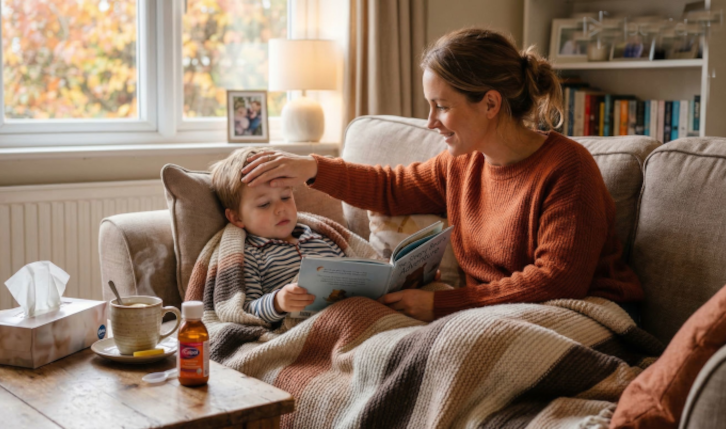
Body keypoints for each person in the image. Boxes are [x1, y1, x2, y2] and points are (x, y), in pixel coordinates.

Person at [238, 27, 645, 323]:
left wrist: (441, 305)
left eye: (442, 106)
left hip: (584, 311)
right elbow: (391, 188)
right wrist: (311, 168)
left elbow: (557, 281)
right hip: (494, 312)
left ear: (490, 103)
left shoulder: (567, 170)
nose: (430, 122)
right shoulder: (463, 163)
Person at [210, 147, 345, 323]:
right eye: (264, 204)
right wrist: (277, 302)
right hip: (301, 328)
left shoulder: (321, 238)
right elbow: (245, 311)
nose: (281, 208)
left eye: (285, 197)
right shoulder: (251, 255)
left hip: (345, 314)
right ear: (236, 217)